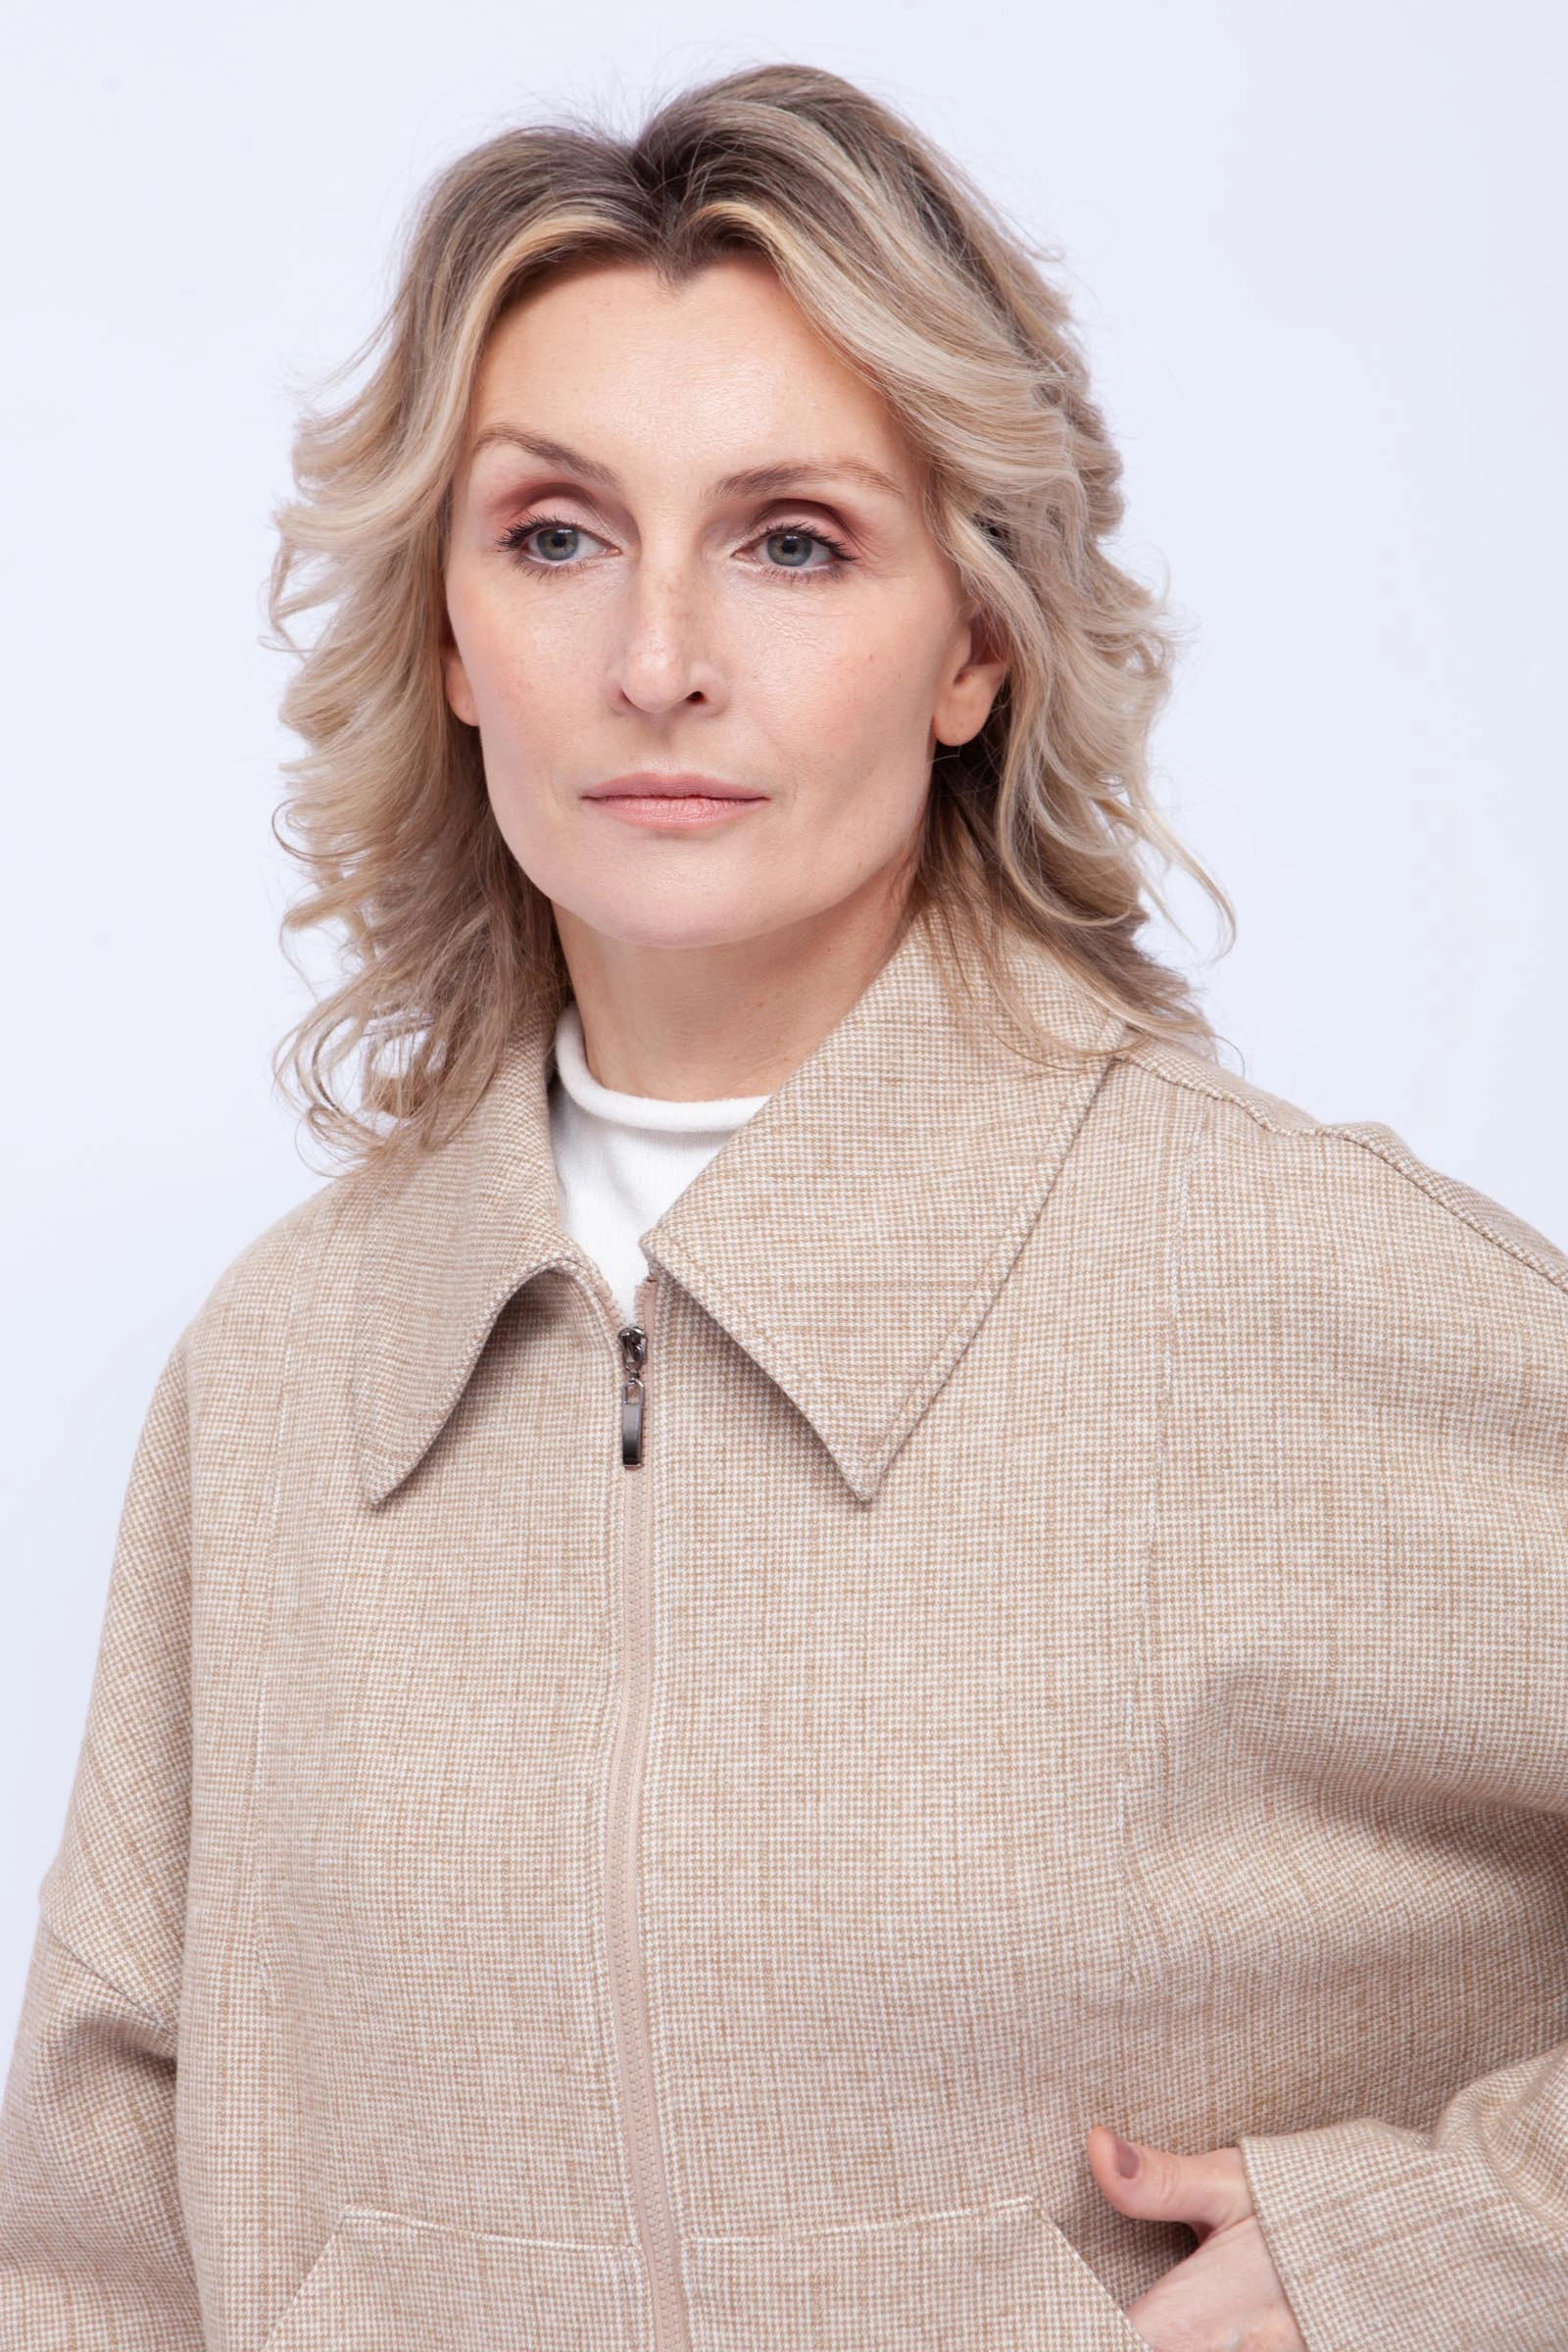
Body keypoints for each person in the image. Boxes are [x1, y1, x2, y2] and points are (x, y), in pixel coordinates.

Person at [1, 58, 1564, 2352]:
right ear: (445, 636)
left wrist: (1435, 2252)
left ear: (972, 643)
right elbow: (91, 2239)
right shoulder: (280, 1376)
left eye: (792, 540)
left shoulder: (1290, 1291)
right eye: (553, 536)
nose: (656, 660)